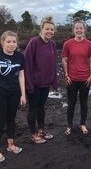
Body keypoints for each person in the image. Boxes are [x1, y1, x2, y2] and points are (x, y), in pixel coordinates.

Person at [24, 15, 58, 144]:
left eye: (52, 29)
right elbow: (27, 63)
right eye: (47, 29)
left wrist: (53, 81)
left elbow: (53, 64)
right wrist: (29, 84)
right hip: (34, 84)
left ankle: (41, 130)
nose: (49, 31)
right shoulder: (34, 42)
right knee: (33, 108)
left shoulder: (53, 44)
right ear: (42, 29)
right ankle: (33, 134)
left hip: (45, 83)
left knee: (41, 108)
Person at [62, 19, 91, 135]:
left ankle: (83, 124)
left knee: (84, 102)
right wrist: (66, 75)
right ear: (73, 30)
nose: (79, 30)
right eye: (77, 28)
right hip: (72, 79)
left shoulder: (89, 44)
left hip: (85, 78)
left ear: (84, 29)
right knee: (71, 103)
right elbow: (64, 60)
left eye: (81, 28)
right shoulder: (67, 44)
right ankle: (69, 126)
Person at [0, 31, 26, 162]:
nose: (11, 44)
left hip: (14, 93)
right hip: (1, 93)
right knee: (1, 119)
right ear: (2, 42)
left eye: (14, 42)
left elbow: (21, 76)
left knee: (11, 119)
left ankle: (10, 144)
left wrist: (23, 94)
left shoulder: (20, 57)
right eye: (8, 41)